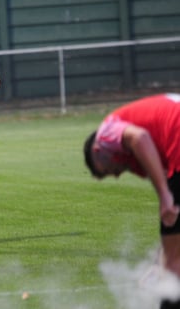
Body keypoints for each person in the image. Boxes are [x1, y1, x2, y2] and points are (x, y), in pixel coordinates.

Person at [84, 93, 180, 309]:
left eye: (107, 171)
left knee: (173, 266)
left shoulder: (105, 133)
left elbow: (139, 137)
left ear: (98, 152)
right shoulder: (141, 159)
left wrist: (164, 194)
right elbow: (173, 216)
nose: (115, 175)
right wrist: (158, 260)